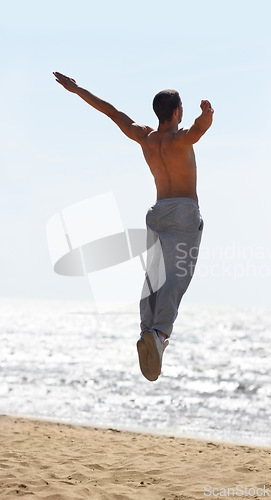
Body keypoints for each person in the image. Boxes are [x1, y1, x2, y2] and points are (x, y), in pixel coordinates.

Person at [53, 72, 213, 382]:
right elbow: (199, 129)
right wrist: (207, 115)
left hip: (157, 213)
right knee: (177, 277)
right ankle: (159, 333)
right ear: (177, 111)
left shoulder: (146, 137)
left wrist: (77, 90)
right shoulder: (181, 139)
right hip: (183, 215)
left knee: (154, 275)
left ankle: (145, 330)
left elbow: (111, 111)